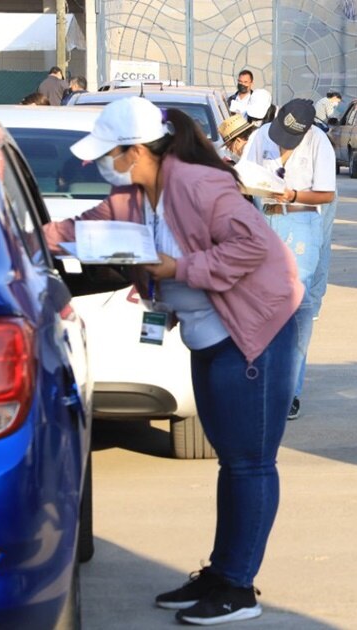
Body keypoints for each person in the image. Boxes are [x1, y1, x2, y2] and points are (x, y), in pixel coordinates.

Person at [42, 96, 303, 624]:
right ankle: (221, 573)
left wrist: (177, 268)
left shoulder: (198, 184)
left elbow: (252, 246)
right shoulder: (137, 194)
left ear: (137, 151)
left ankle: (238, 589)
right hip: (209, 336)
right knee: (233, 460)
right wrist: (20, 238)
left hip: (255, 332)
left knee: (249, 463)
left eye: (111, 155)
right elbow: (83, 230)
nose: (106, 165)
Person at [241, 98, 336, 421]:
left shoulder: (319, 142)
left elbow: (326, 194)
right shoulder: (261, 136)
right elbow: (244, 175)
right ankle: (260, 381)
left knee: (296, 306)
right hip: (264, 220)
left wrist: (292, 195)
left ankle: (290, 390)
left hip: (301, 220)